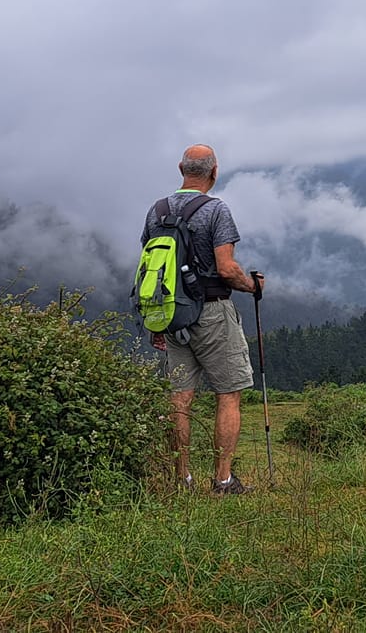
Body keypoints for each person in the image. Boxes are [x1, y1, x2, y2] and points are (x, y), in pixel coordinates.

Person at [144, 144, 260, 495]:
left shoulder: (157, 210)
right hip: (211, 311)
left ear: (181, 168)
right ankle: (223, 480)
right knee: (229, 392)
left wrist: (156, 320)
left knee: (179, 399)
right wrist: (252, 286)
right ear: (214, 171)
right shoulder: (215, 210)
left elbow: (151, 268)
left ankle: (181, 479)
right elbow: (226, 268)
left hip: (172, 314)